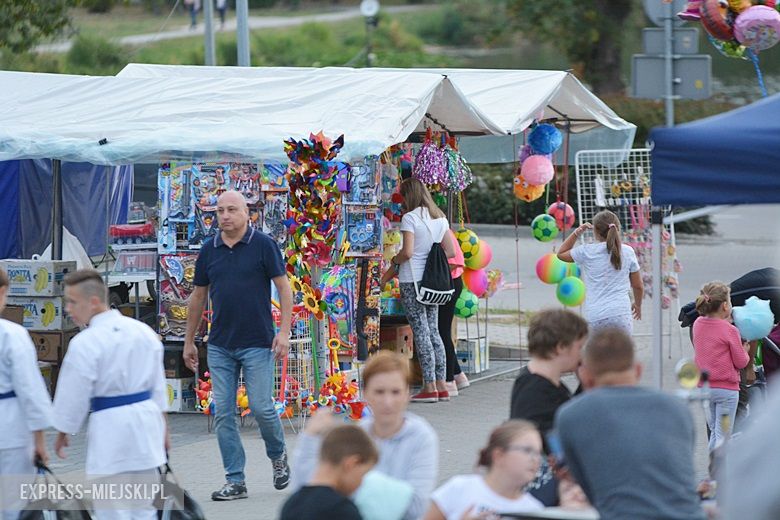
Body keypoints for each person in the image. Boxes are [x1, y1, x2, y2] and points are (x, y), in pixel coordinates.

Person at [183, 190, 293, 499]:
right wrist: (189, 341)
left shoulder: (263, 246)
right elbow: (197, 297)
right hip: (220, 345)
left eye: (232, 209)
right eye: (219, 211)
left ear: (248, 213)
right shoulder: (208, 250)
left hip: (258, 342)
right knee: (223, 412)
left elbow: (284, 290)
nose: (225, 216)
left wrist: (283, 332)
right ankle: (235, 480)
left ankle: (278, 456)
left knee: (260, 406)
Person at [554, 328, 706, 520]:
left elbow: (589, 488)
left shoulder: (571, 415)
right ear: (638, 370)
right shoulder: (677, 408)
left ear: (584, 375)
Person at [53, 269, 168, 519]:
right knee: (145, 507)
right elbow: (158, 387)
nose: (69, 309)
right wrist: (164, 429)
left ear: (93, 302)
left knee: (110, 506)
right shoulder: (143, 332)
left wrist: (63, 430)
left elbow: (73, 392)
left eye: (72, 302)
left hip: (110, 426)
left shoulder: (86, 342)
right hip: (147, 422)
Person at [291, 351, 438, 520]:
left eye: (395, 392)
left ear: (407, 394)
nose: (387, 401)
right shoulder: (358, 433)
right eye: (379, 392)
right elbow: (312, 489)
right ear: (365, 394)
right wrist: (309, 438)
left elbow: (416, 506)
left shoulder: (422, 437)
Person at [381, 178, 455, 403]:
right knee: (433, 331)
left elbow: (408, 253)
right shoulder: (440, 218)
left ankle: (429, 386)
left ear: (407, 196)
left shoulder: (410, 218)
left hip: (412, 280)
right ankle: (442, 385)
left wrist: (394, 260)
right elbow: (450, 251)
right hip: (433, 283)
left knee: (420, 332)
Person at [508, 308, 588, 506]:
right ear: (561, 347)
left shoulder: (547, 383)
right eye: (579, 347)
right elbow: (552, 437)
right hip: (542, 491)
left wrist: (585, 384)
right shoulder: (535, 390)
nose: (581, 356)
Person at [0, 268, 53, 520]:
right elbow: (30, 389)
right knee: (13, 505)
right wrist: (40, 440)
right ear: (2, 292)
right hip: (9, 430)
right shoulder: (11, 334)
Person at [423, 420, 544, 520]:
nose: (536, 459)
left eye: (538, 453)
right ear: (499, 455)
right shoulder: (460, 488)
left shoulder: (534, 511)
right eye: (527, 451)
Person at [557, 210, 643, 334]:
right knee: (622, 353)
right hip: (621, 313)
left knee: (597, 353)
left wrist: (577, 232)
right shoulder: (628, 252)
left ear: (595, 232)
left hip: (595, 315)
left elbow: (561, 254)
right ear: (617, 228)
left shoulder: (587, 251)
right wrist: (638, 305)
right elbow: (638, 286)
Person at [692, 281, 750, 451]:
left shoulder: (697, 324)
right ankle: (719, 473)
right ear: (725, 305)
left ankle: (713, 472)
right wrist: (745, 350)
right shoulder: (730, 330)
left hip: (704, 389)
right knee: (723, 436)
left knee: (715, 433)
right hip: (727, 391)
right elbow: (741, 362)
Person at [280, 425, 378, 520]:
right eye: (363, 475)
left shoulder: (292, 504)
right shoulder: (343, 510)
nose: (361, 484)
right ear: (351, 464)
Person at [439, 229, 469, 396]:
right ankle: (458, 375)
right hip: (452, 281)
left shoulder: (442, 230)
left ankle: (449, 380)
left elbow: (455, 261)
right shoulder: (443, 228)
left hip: (449, 281)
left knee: (442, 331)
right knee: (442, 330)